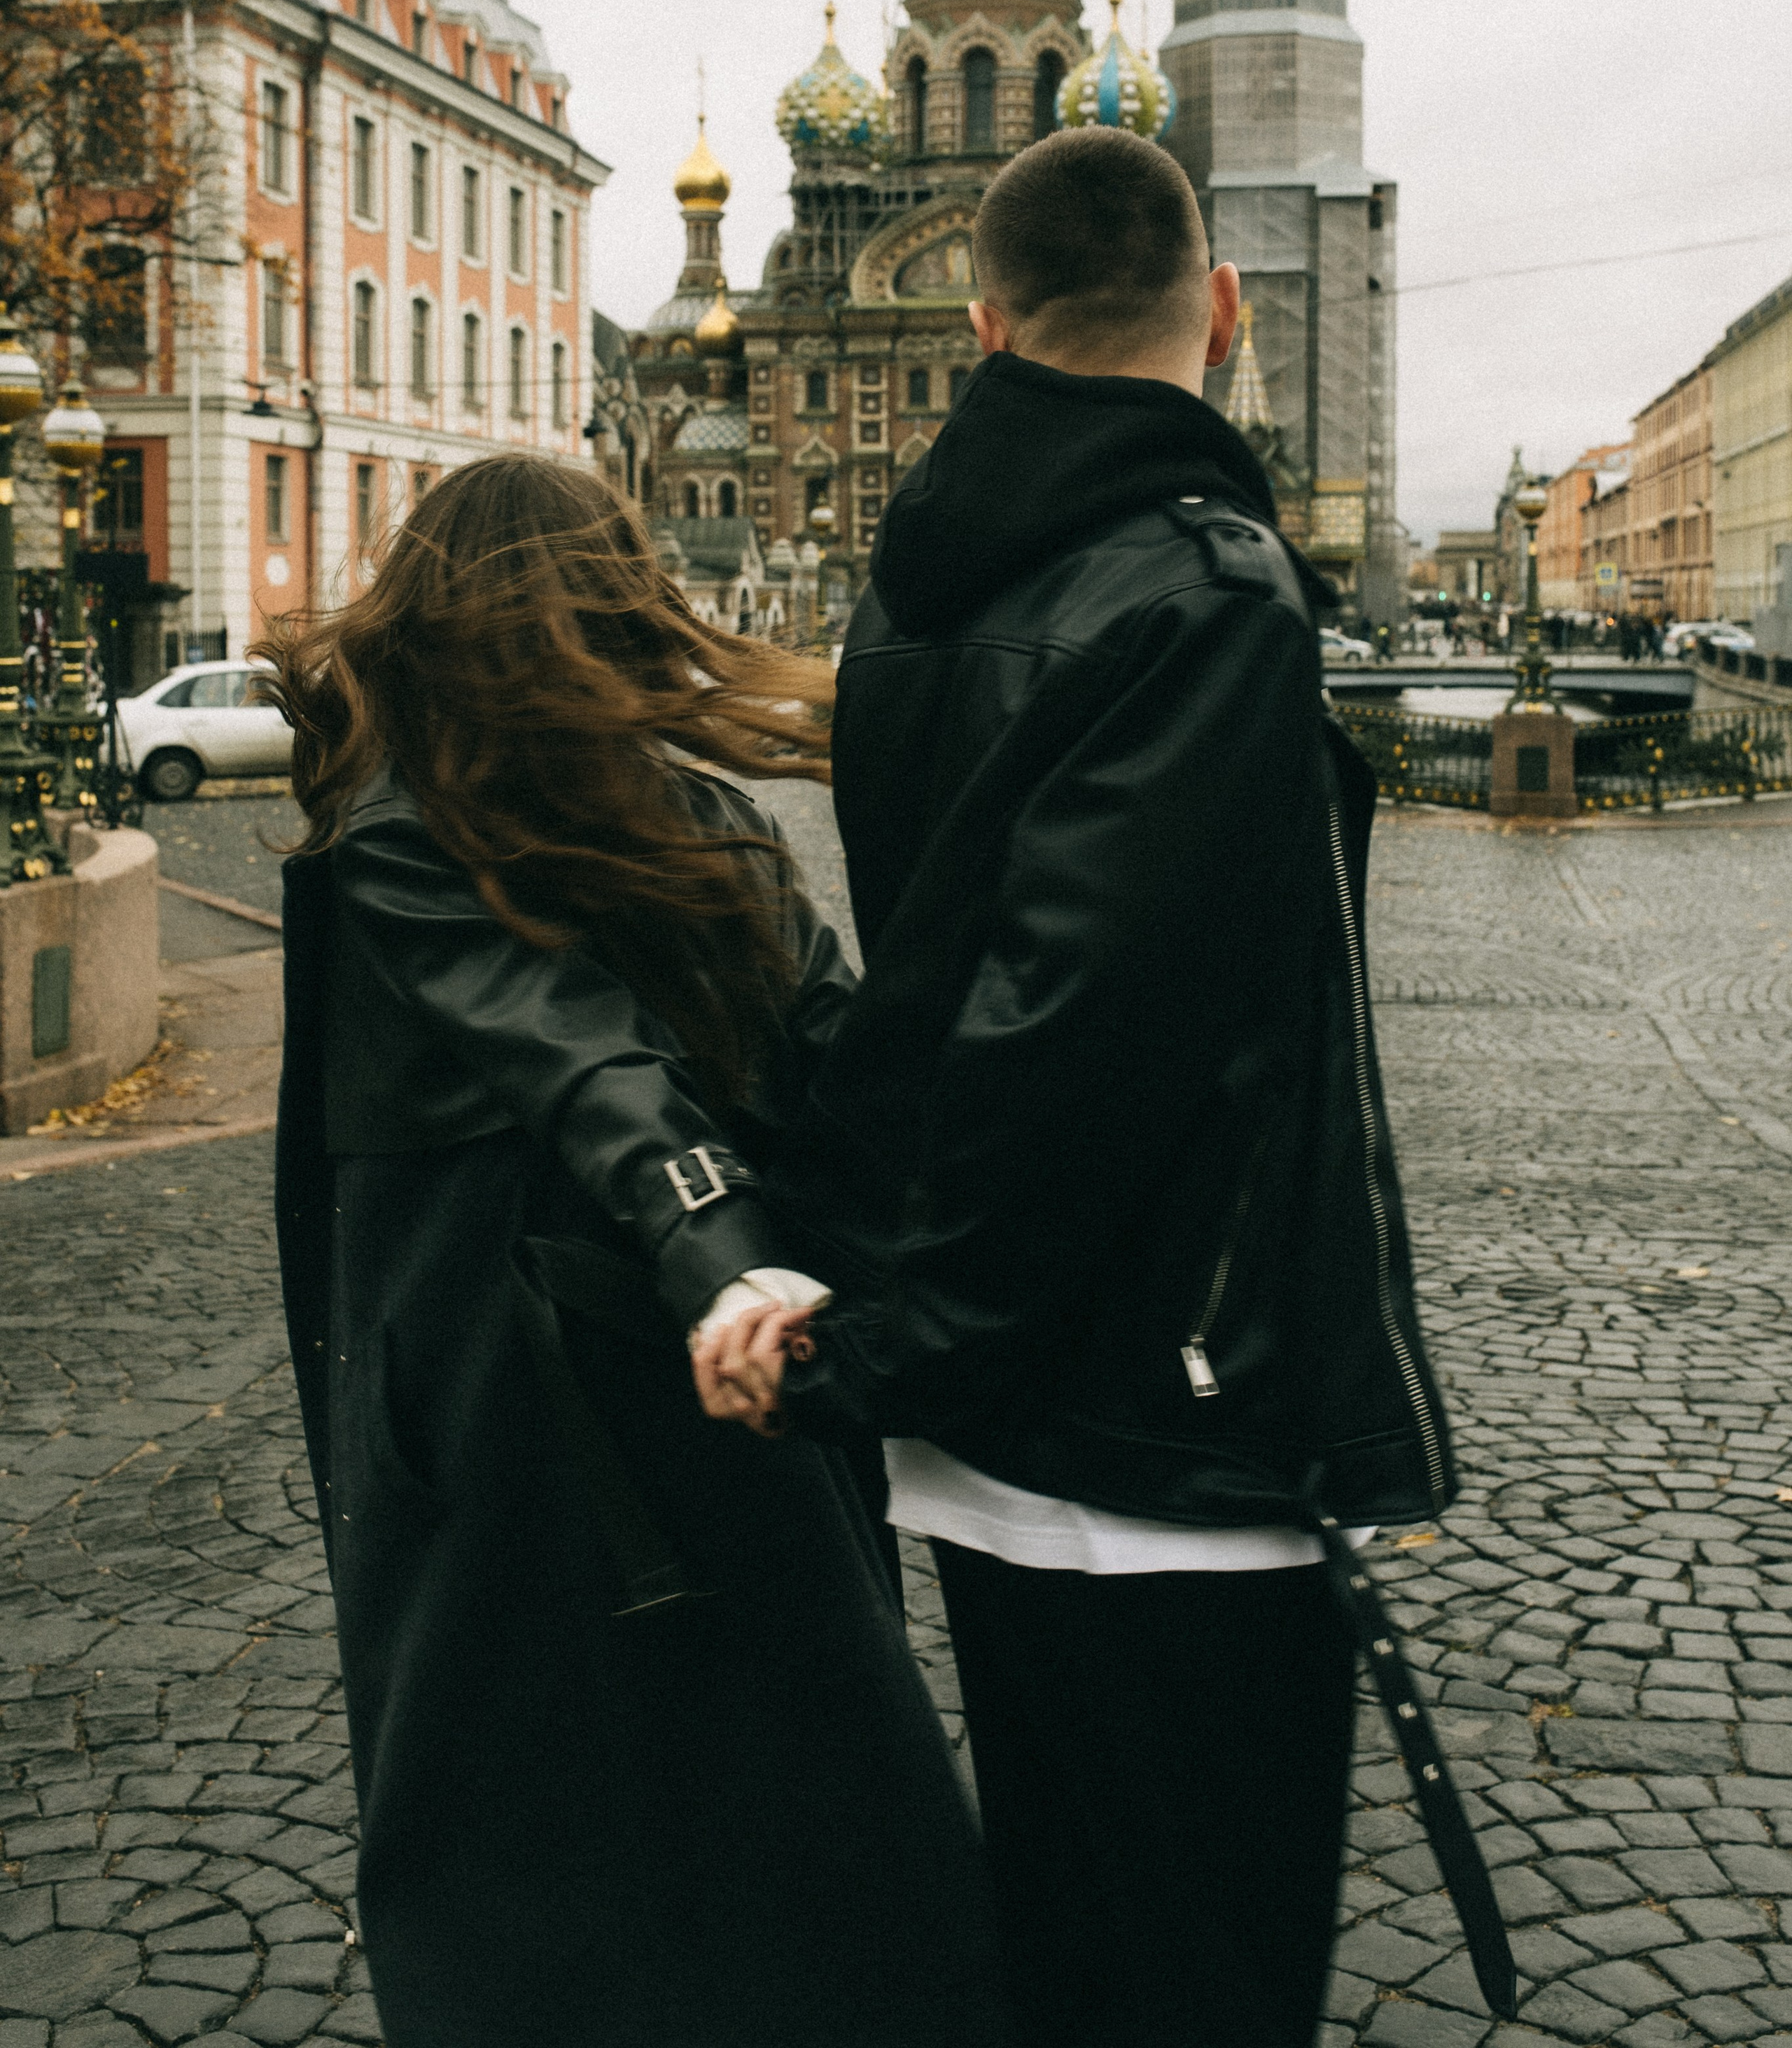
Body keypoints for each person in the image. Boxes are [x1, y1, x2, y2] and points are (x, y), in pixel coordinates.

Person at [697, 127, 1460, 2048]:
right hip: (1171, 1428)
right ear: (1219, 310)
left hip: (1016, 1447)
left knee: (1068, 1945)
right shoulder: (1206, 588)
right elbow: (1084, 1036)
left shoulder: (923, 588)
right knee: (1203, 1975)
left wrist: (891, 1320)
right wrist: (907, 1346)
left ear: (981, 321)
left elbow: (944, 994)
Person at [260, 454, 1008, 2048]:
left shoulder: (435, 822)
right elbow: (588, 1055)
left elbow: (725, 1059)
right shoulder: (475, 827)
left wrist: (746, 1247)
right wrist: (737, 1250)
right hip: (683, 1381)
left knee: (548, 1860)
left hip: (536, 1408)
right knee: (776, 1806)